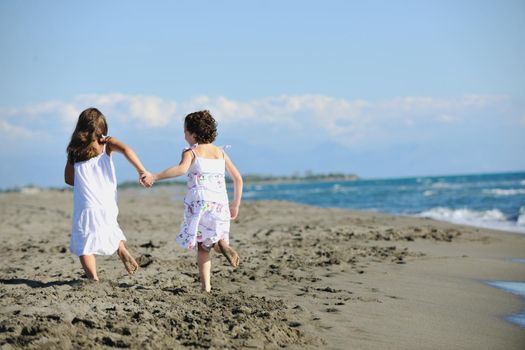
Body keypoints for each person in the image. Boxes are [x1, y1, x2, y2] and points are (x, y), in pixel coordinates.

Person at [141, 110, 242, 292]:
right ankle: (223, 245)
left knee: (203, 248)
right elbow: (238, 179)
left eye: (185, 131)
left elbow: (181, 170)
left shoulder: (192, 152)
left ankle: (206, 287)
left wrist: (155, 176)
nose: (184, 135)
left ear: (193, 133)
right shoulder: (220, 153)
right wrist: (235, 204)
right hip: (220, 204)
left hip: (201, 203)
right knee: (215, 237)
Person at [64, 107, 151, 282]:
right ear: (102, 128)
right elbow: (127, 150)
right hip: (108, 201)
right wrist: (142, 171)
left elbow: (69, 180)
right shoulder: (107, 144)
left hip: (87, 203)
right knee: (109, 226)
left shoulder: (75, 151)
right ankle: (121, 249)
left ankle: (93, 278)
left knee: (85, 244)